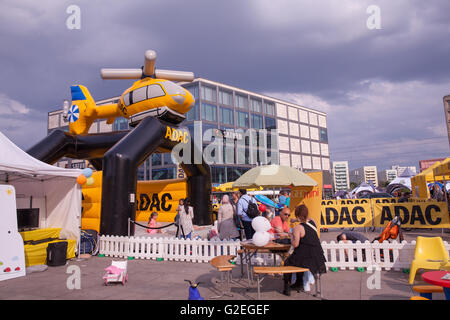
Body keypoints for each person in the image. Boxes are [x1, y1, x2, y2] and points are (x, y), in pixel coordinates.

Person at [283, 204, 327, 296]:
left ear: (297, 215)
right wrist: (296, 219)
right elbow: (307, 219)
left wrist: (291, 236)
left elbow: (295, 244)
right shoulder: (312, 222)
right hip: (317, 256)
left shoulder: (297, 228)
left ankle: (287, 287)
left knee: (287, 262)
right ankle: (298, 283)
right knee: (299, 261)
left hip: (306, 257)